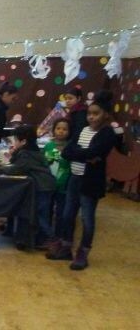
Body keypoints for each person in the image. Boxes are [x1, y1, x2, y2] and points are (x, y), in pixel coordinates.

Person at [47, 91, 117, 270]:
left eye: (96, 114)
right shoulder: (83, 130)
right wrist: (86, 156)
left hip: (90, 183)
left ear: (105, 115)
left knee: (87, 219)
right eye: (89, 114)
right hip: (75, 179)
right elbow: (67, 152)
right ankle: (66, 248)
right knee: (67, 215)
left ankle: (82, 253)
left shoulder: (107, 133)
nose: (91, 117)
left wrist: (83, 154)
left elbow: (95, 152)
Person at [0, 125, 56, 248]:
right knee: (42, 214)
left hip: (43, 187)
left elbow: (17, 169)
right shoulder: (33, 151)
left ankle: (52, 239)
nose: (14, 142)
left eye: (16, 140)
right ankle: (44, 239)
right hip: (46, 185)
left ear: (23, 141)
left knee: (40, 216)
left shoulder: (25, 154)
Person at [43, 118, 71, 244]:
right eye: (58, 128)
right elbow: (43, 163)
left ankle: (59, 235)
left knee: (61, 212)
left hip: (63, 185)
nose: (61, 131)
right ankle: (46, 233)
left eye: (64, 129)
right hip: (48, 184)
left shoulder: (70, 147)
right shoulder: (48, 145)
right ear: (53, 130)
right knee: (47, 209)